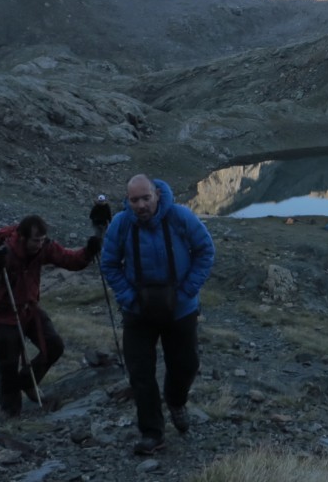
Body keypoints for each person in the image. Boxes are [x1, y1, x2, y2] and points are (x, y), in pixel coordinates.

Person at [101, 174, 215, 455]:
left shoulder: (179, 216)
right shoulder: (121, 224)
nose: (141, 205)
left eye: (145, 198)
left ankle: (176, 401)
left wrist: (186, 291)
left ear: (157, 195)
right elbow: (109, 263)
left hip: (180, 309)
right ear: (128, 201)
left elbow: (205, 250)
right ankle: (152, 432)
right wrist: (129, 298)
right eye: (134, 200)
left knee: (186, 364)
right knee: (140, 373)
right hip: (138, 312)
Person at [0, 214, 101, 417]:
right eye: (36, 240)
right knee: (7, 367)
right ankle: (11, 415)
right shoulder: (4, 252)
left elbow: (69, 259)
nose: (40, 244)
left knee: (54, 345)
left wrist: (88, 252)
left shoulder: (44, 248)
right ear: (22, 237)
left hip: (29, 309)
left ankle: (27, 381)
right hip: (4, 315)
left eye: (42, 240)